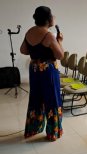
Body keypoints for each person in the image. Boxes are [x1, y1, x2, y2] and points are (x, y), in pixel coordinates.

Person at [20, 6, 64, 141]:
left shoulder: (29, 32)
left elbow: (23, 50)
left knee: (36, 98)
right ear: (48, 19)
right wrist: (59, 41)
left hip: (34, 70)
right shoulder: (48, 35)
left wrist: (36, 52)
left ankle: (34, 128)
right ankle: (53, 132)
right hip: (47, 71)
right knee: (52, 98)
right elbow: (60, 55)